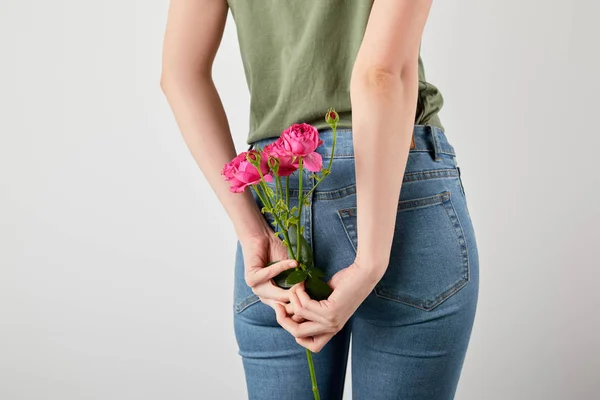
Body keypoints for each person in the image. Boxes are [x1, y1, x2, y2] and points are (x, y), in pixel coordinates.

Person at [160, 0, 479, 398]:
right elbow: (381, 74)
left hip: (279, 197)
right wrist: (370, 262)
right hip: (401, 184)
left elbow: (179, 75)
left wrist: (254, 233)